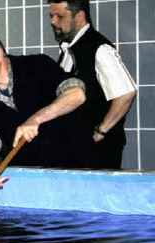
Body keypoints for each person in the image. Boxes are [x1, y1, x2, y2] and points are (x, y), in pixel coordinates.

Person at [0, 33, 97, 188]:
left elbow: (76, 94)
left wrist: (36, 119)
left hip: (80, 172)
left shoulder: (37, 65)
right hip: (35, 183)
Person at [48, 0, 137, 169]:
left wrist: (100, 132)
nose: (53, 22)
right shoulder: (68, 50)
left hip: (98, 153)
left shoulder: (99, 48)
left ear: (80, 16)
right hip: (78, 150)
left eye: (59, 16)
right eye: (51, 16)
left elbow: (126, 93)